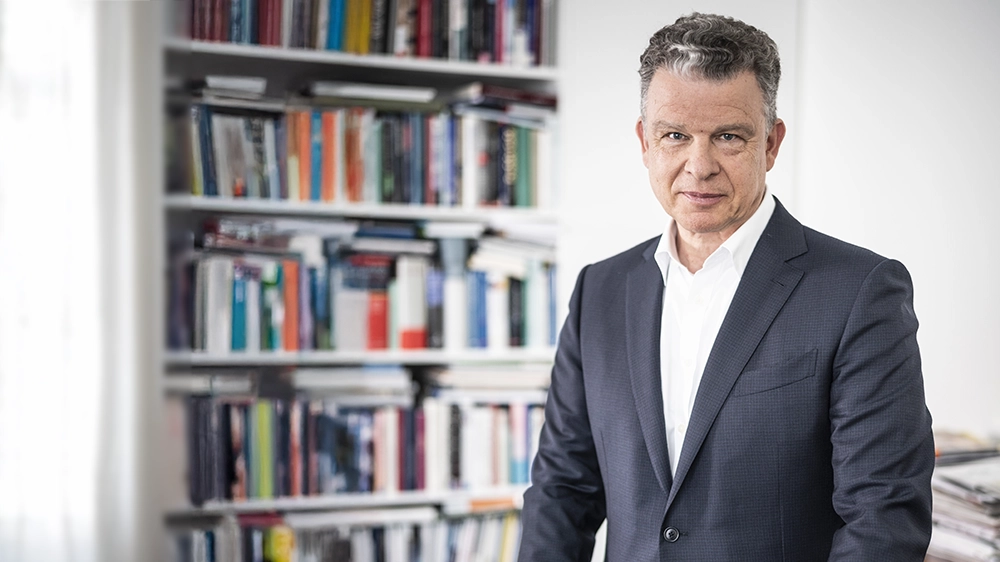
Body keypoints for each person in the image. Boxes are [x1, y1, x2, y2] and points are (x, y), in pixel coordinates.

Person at [518, 12, 935, 561]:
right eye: (675, 136)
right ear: (645, 142)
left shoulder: (859, 292)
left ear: (771, 143)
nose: (700, 165)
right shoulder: (600, 289)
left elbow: (883, 518)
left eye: (728, 137)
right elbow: (562, 491)